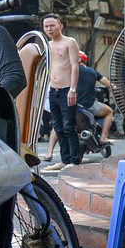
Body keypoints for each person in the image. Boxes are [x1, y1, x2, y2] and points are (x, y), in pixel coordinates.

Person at [41, 14, 82, 171]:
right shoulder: (47, 45)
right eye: (46, 26)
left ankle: (75, 161)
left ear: (60, 25)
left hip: (67, 89)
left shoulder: (69, 42)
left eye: (52, 25)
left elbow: (75, 66)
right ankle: (64, 160)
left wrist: (73, 89)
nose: (49, 29)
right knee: (57, 127)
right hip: (53, 90)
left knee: (68, 126)